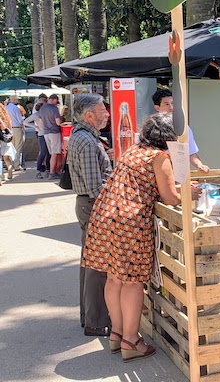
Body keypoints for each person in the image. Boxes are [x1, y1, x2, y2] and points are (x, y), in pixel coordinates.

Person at [82, 112, 201, 362]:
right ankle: (131, 341)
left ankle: (116, 334)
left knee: (114, 279)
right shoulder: (160, 157)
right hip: (130, 222)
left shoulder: (133, 151)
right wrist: (189, 195)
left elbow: (145, 184)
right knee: (133, 282)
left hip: (105, 216)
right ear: (168, 137)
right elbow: (169, 197)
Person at [67, 93, 113, 337]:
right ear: (89, 116)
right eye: (103, 110)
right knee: (97, 266)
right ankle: (95, 321)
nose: (107, 114)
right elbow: (96, 188)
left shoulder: (83, 137)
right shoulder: (86, 141)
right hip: (93, 206)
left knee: (90, 264)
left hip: (87, 205)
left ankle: (90, 317)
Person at [151, 89, 209, 173]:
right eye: (166, 104)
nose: (171, 107)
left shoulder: (184, 127)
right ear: (157, 107)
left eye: (173, 103)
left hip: (180, 174)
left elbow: (191, 152)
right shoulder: (152, 127)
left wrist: (200, 165)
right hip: (156, 173)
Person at [24, 102, 50, 179]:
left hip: (48, 134)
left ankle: (48, 169)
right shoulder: (36, 115)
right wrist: (35, 126)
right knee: (43, 152)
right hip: (41, 134)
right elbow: (25, 122)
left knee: (49, 152)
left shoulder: (46, 114)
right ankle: (38, 170)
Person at [39, 94, 62, 179]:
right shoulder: (54, 109)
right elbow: (58, 122)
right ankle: (52, 173)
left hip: (46, 132)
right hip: (54, 132)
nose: (56, 103)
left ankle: (51, 171)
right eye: (56, 101)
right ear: (54, 100)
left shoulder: (42, 108)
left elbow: (40, 121)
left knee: (51, 153)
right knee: (54, 154)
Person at [5, 95, 25, 170]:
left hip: (8, 129)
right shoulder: (16, 108)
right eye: (17, 99)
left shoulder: (6, 108)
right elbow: (20, 120)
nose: (18, 101)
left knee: (10, 147)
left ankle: (10, 164)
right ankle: (16, 165)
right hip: (17, 128)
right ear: (13, 100)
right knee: (18, 147)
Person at [0, 104, 17, 181]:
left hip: (0, 137)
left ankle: (2, 175)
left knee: (0, 158)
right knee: (6, 157)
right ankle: (9, 168)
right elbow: (10, 128)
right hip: (6, 138)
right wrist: (11, 137)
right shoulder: (7, 117)